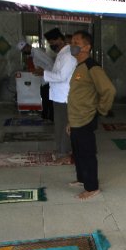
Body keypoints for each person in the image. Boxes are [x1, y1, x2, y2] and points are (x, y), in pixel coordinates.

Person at [67, 30, 116, 200]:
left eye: (77, 42)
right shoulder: (78, 67)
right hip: (75, 119)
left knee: (87, 154)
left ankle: (92, 187)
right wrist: (70, 122)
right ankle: (82, 179)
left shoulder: (92, 67)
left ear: (87, 47)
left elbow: (109, 90)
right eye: (71, 42)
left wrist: (101, 110)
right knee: (78, 153)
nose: (72, 45)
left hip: (86, 119)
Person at [42, 27, 77, 160]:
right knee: (60, 124)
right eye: (50, 43)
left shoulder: (68, 55)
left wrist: (44, 73)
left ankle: (64, 150)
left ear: (60, 39)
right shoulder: (62, 53)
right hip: (58, 96)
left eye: (53, 42)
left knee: (64, 125)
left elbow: (62, 76)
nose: (51, 45)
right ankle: (60, 148)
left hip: (65, 97)